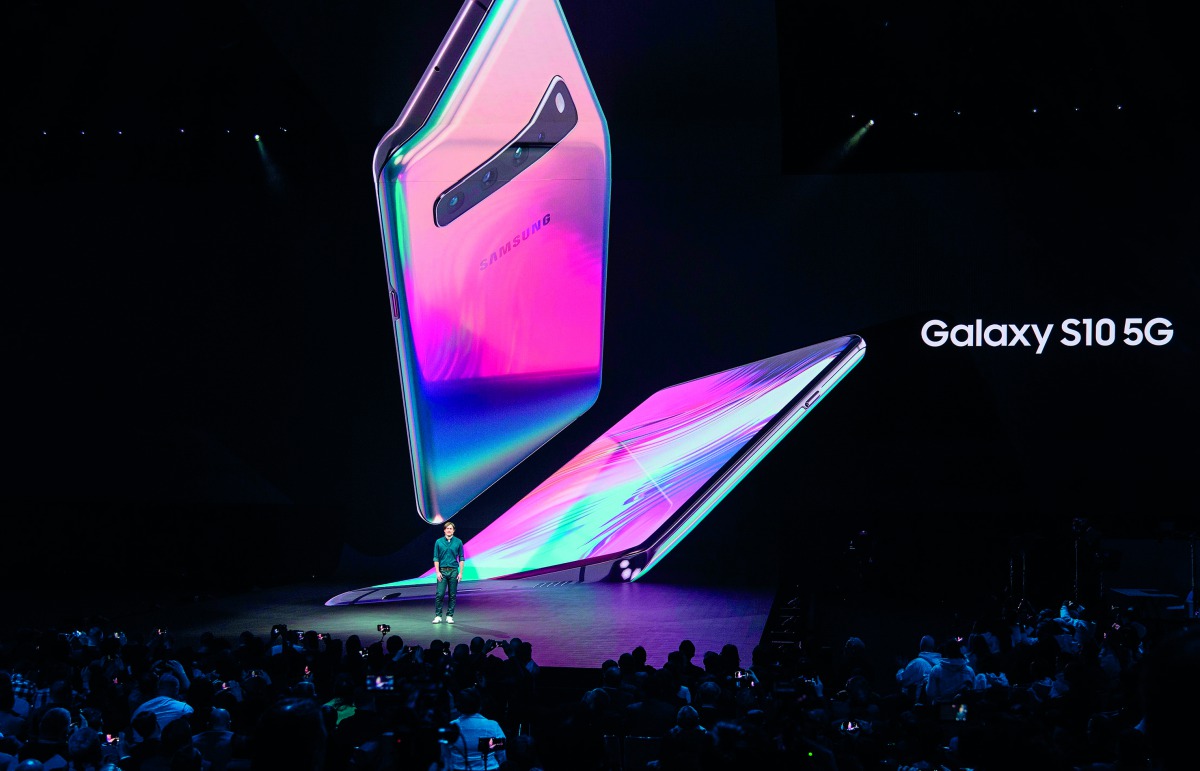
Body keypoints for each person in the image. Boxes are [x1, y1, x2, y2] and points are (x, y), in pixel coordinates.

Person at [445, 687, 505, 770]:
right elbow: (501, 755)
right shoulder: (492, 726)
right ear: (480, 705)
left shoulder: (451, 727)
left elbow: (445, 756)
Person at [433, 521, 465, 624]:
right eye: (447, 528)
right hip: (442, 571)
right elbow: (436, 558)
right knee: (440, 594)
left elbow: (461, 558)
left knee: (452, 595)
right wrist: (437, 572)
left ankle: (449, 616)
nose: (449, 530)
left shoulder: (458, 542)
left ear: (453, 530)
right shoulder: (438, 542)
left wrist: (460, 573)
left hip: (453, 572)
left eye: (451, 528)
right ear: (444, 530)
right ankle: (438, 616)